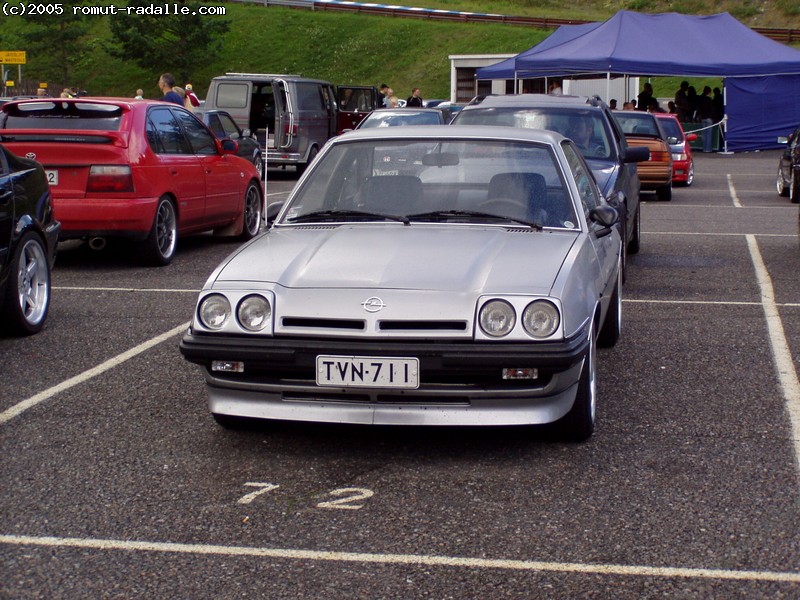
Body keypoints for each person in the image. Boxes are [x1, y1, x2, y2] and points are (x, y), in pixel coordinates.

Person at [697, 85, 714, 152]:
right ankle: (708, 149)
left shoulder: (700, 99)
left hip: (702, 118)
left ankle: (704, 148)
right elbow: (712, 109)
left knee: (704, 134)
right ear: (709, 92)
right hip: (708, 118)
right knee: (709, 134)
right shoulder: (709, 100)